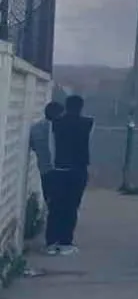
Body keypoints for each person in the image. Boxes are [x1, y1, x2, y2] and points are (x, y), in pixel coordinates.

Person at [50, 95, 93, 256]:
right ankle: (65, 242)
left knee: (56, 206)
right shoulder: (88, 123)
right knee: (71, 207)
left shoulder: (56, 124)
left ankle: (52, 241)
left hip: (60, 168)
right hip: (78, 169)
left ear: (66, 107)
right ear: (81, 107)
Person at [29, 101, 64, 254]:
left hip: (44, 171)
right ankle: (55, 239)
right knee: (60, 206)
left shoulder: (35, 128)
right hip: (59, 171)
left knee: (51, 204)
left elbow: (33, 146)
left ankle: (52, 238)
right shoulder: (60, 129)